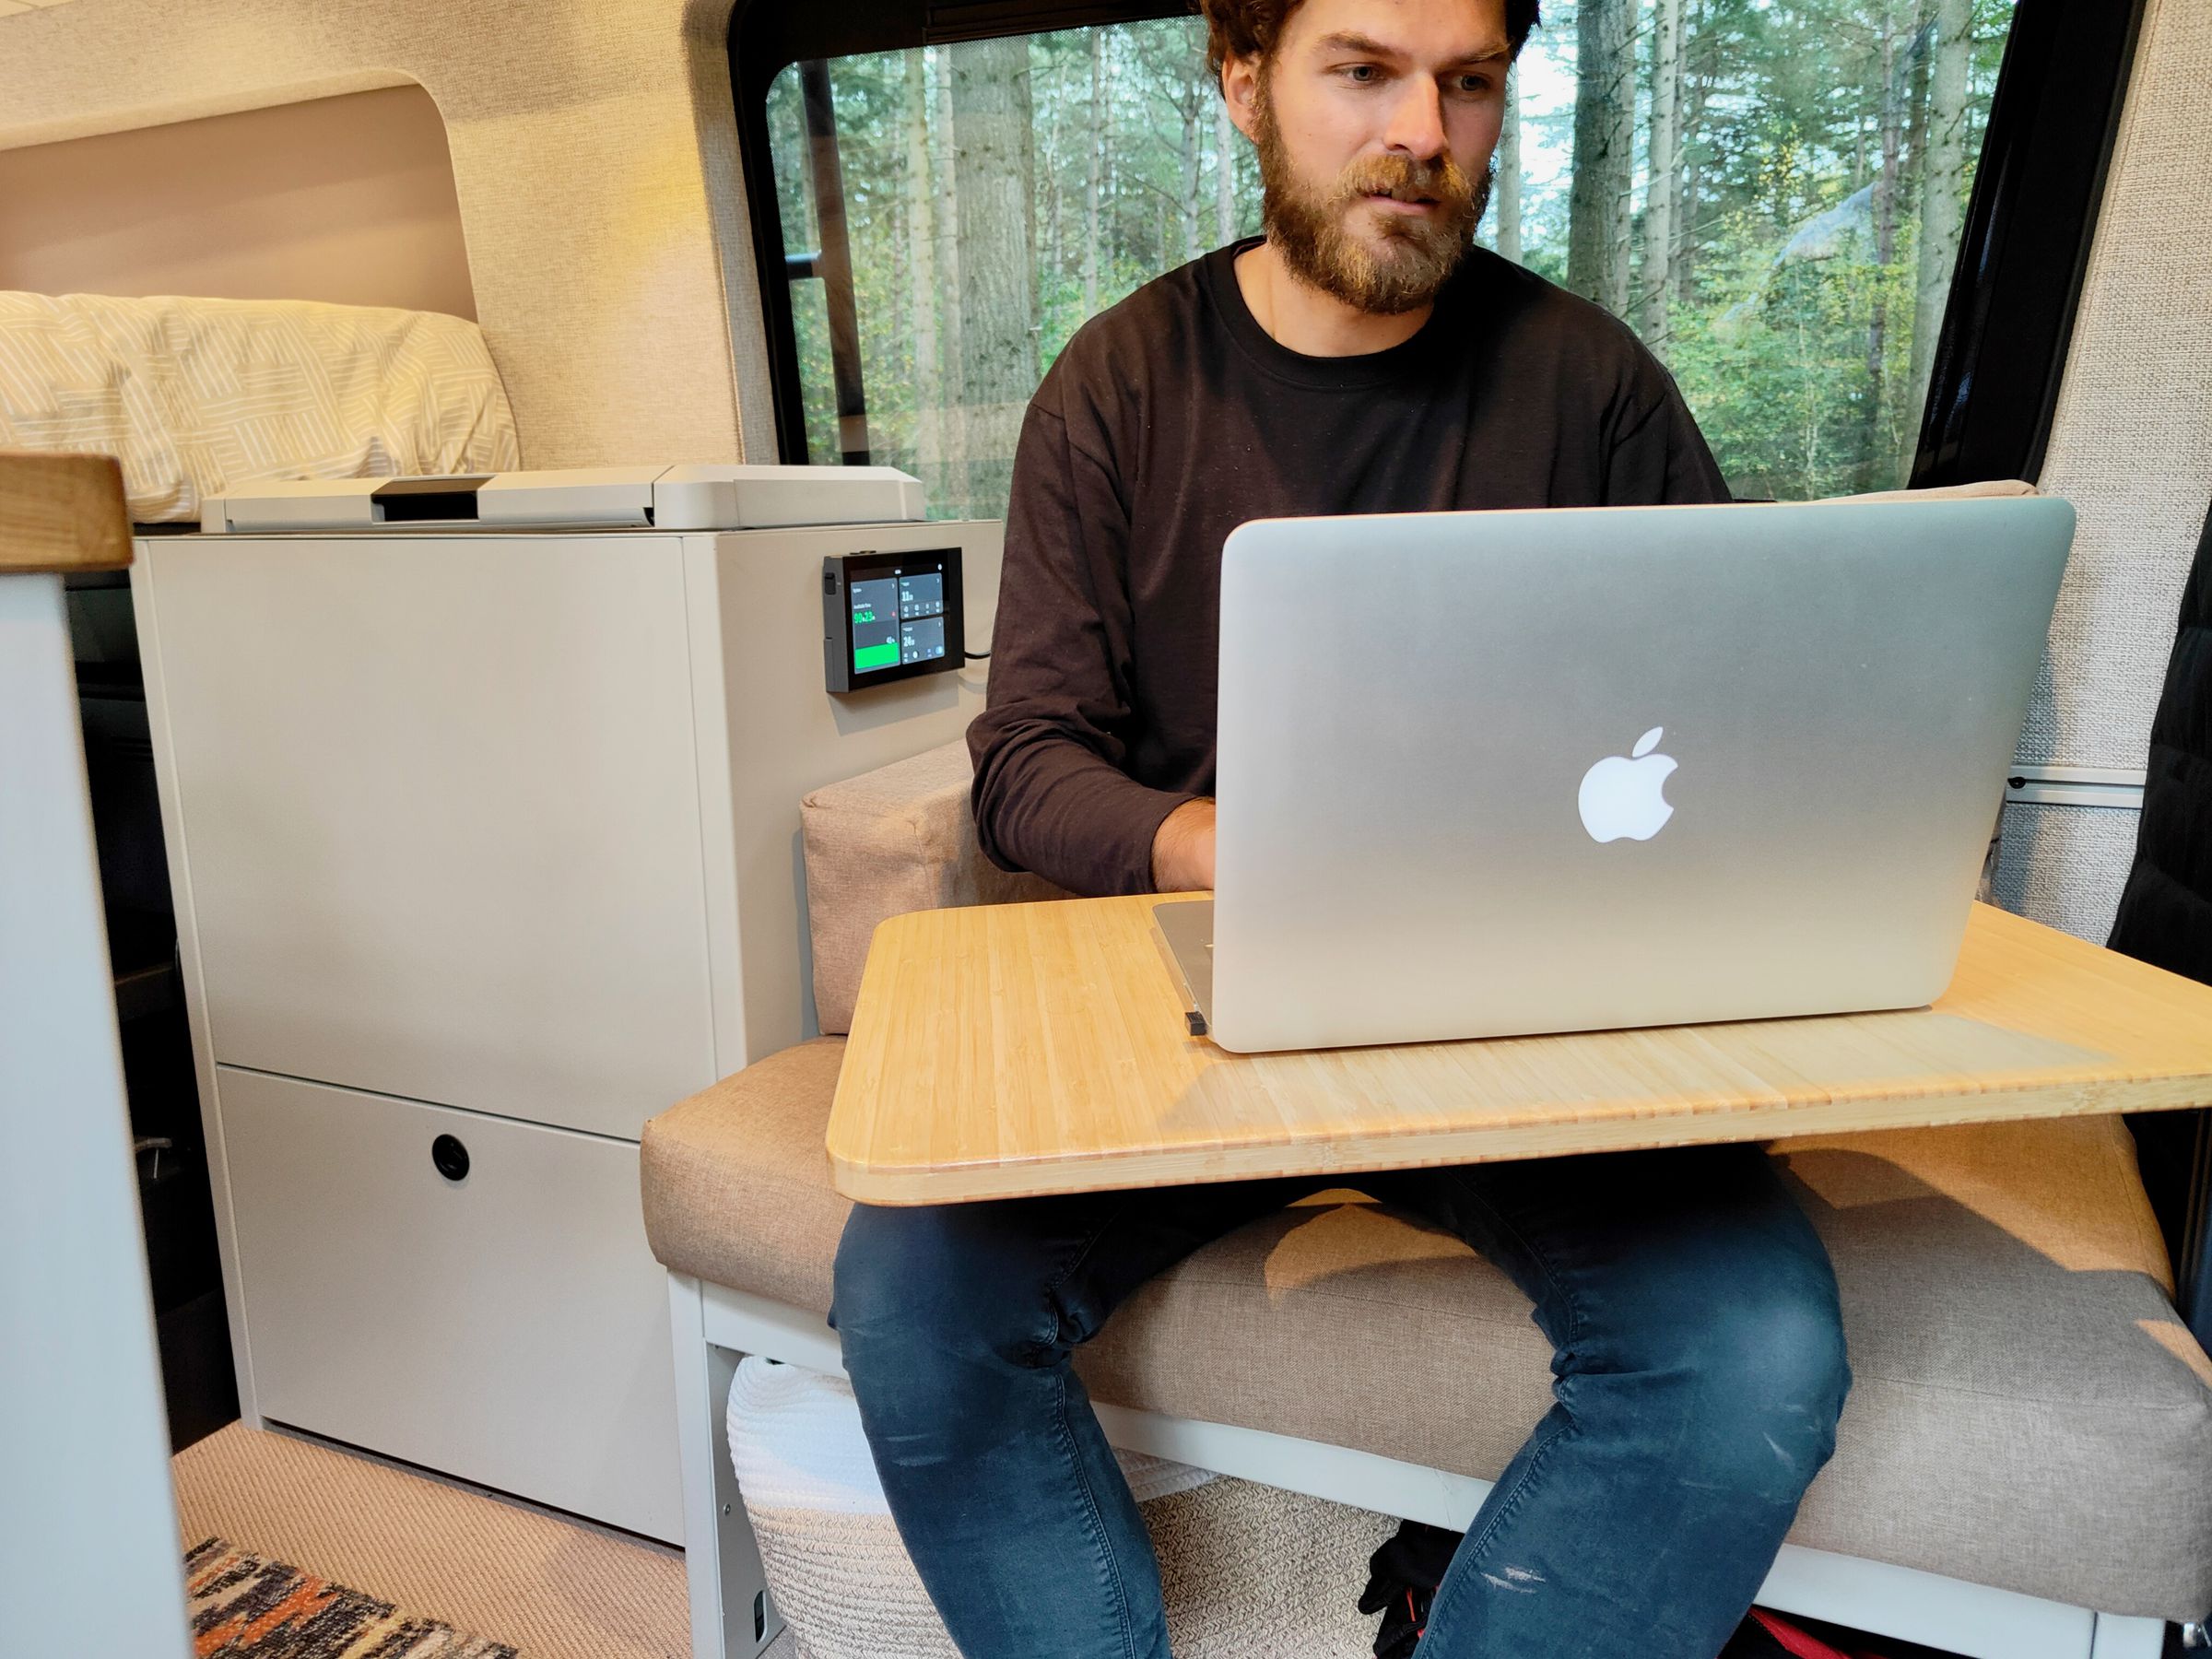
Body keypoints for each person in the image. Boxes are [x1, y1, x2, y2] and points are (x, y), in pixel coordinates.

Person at [831, 0, 1853, 1653]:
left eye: (1467, 84)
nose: (1422, 134)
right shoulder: (1119, 385)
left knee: (1752, 1350)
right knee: (909, 1302)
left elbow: (1732, 732)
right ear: (1244, 84)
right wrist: (1229, 849)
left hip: (1510, 1023)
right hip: (1195, 1008)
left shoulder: (1589, 385)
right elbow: (1023, 761)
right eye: (1362, 72)